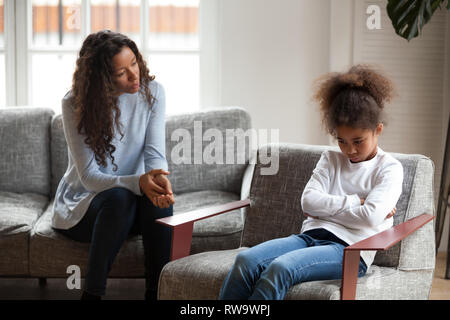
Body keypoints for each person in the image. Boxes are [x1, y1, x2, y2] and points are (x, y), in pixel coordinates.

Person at [219, 64, 403, 300]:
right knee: (245, 261)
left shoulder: (389, 169)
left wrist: (325, 211)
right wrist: (355, 201)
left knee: (280, 268)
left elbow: (369, 217)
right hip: (309, 236)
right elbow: (308, 203)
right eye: (342, 141)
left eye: (358, 140)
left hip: (349, 252)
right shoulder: (330, 159)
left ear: (378, 130)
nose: (350, 150)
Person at [51, 30, 175, 300]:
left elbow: (154, 154)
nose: (134, 75)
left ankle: (157, 293)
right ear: (103, 79)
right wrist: (137, 182)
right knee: (119, 198)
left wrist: (157, 178)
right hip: (85, 206)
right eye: (121, 72)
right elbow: (89, 177)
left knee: (157, 198)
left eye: (134, 63)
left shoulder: (153, 92)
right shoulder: (74, 103)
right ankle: (92, 295)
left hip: (130, 207)